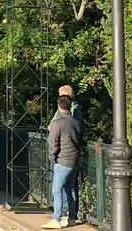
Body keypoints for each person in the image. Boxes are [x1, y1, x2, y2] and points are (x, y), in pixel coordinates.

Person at [42, 96, 83, 229]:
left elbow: (52, 143)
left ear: (59, 107)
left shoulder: (57, 123)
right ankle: (72, 218)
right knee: (70, 190)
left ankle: (56, 219)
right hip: (74, 160)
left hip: (62, 161)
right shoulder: (76, 123)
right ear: (70, 106)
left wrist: (53, 158)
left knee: (57, 190)